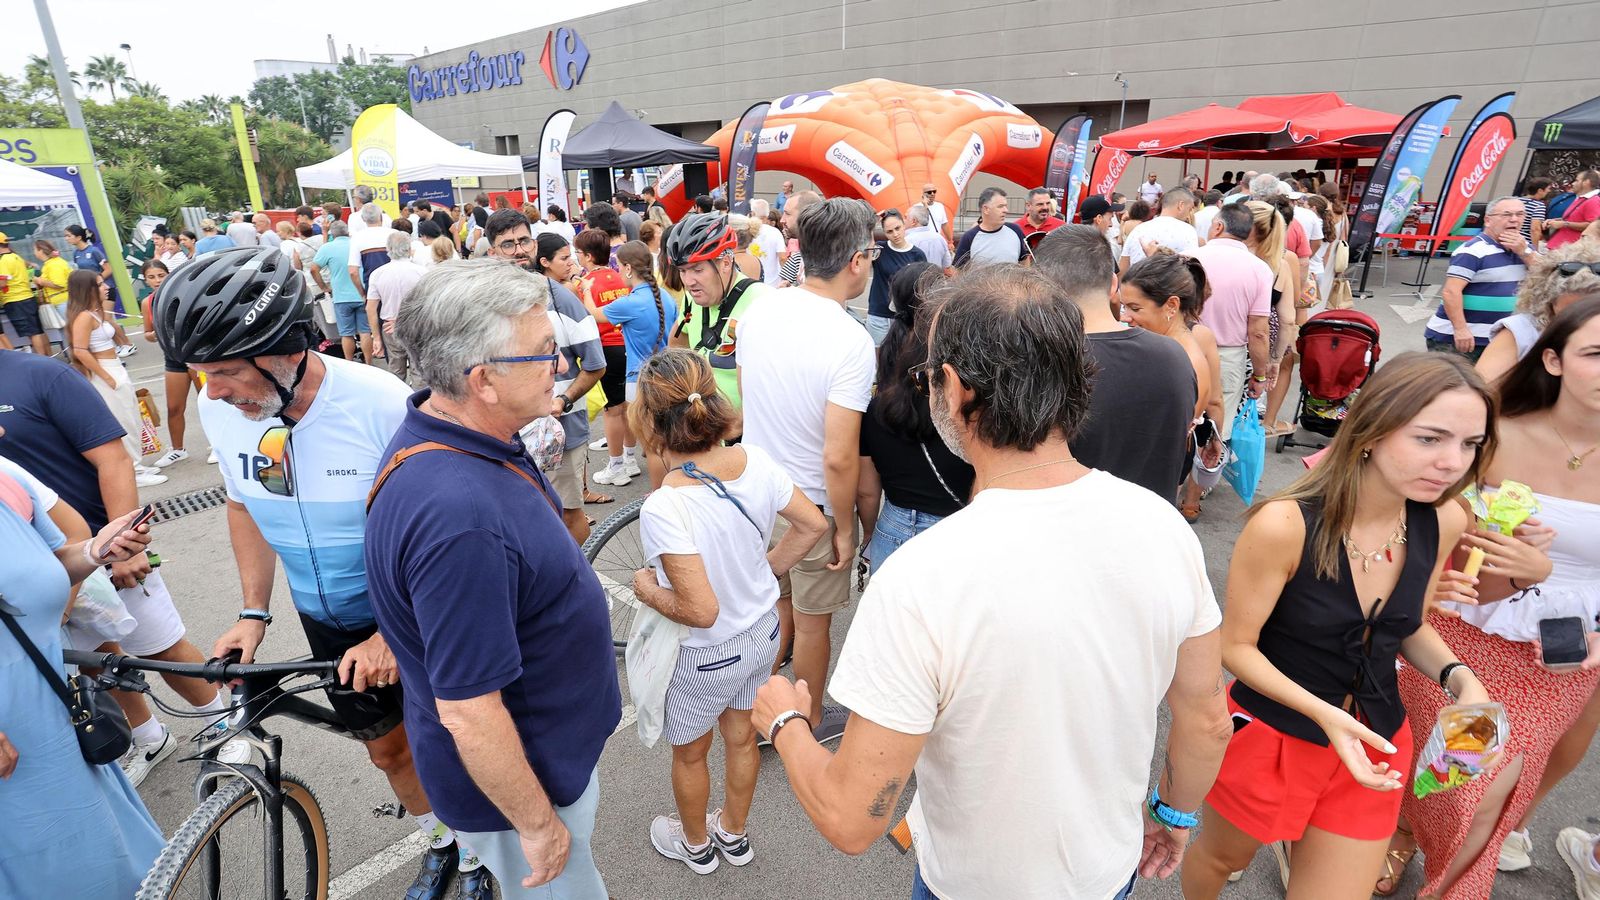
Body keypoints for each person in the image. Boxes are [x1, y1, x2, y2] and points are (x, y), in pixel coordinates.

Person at [756, 263, 1229, 899]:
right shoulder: (1161, 525)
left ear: (953, 388)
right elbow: (1205, 721)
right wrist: (1174, 817)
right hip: (1108, 872)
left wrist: (785, 722)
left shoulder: (924, 577)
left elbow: (851, 817)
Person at [162, 246, 486, 899]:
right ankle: (445, 842)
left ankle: (484, 859)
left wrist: (395, 634)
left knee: (463, 745)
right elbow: (242, 505)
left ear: (284, 352)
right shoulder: (223, 408)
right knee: (388, 750)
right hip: (329, 621)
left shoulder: (381, 404)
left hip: (422, 617)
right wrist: (253, 613)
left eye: (224, 371)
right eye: (201, 373)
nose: (212, 391)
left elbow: (456, 538)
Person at [1181, 352, 1494, 900]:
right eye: (1430, 439)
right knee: (1219, 859)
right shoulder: (1284, 524)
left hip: (1375, 743)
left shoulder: (1444, 518)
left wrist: (1460, 678)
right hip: (1272, 737)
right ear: (1371, 430)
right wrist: (1328, 718)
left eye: (1470, 445)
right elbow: (1237, 647)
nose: (1452, 463)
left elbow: (1406, 624)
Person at [364, 258, 621, 900]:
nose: (560, 366)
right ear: (481, 380)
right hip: (524, 788)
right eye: (541, 354)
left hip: (538, 761)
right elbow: (471, 708)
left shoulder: (463, 437)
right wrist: (537, 826)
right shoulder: (461, 516)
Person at [1380, 299, 1600, 898]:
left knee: (1487, 790)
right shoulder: (1491, 435)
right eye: (1595, 354)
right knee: (1452, 768)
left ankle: (1450, 885)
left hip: (1562, 657)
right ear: (1552, 359)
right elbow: (1416, 518)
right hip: (1467, 632)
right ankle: (1401, 834)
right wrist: (1498, 566)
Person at [628, 348, 828, 874]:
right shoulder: (756, 460)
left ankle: (696, 846)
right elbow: (813, 526)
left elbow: (699, 610)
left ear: (649, 420)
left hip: (704, 655)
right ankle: (733, 835)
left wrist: (646, 589)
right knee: (741, 738)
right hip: (762, 632)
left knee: (692, 754)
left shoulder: (665, 505)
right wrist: (767, 570)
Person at [737, 197, 877, 742]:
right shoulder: (851, 339)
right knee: (814, 622)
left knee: (776, 604)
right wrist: (845, 526)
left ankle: (758, 701)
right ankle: (807, 718)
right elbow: (840, 454)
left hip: (758, 488)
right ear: (857, 260)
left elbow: (750, 403)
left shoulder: (761, 308)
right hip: (810, 501)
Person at [0, 464, 163, 898]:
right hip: (9, 740)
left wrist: (95, 551)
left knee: (105, 865)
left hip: (54, 712)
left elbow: (40, 571)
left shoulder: (5, 481)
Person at [1034, 225, 1196, 500]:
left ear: (1042, 289)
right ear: (1113, 284)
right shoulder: (1174, 356)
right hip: (1155, 526)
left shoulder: (1046, 361)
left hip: (1074, 530)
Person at [492, 217, 607, 544]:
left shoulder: (564, 301)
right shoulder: (485, 303)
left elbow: (595, 365)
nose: (519, 250)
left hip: (561, 431)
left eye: (524, 241)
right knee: (520, 513)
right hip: (504, 431)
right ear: (492, 251)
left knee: (566, 513)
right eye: (508, 244)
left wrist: (563, 400)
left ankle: (580, 581)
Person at [856, 262, 973, 571]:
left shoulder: (876, 409)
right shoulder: (964, 403)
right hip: (955, 527)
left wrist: (868, 533)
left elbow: (868, 490)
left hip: (892, 529)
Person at [1120, 250, 1225, 521]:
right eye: (1124, 307)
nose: (1125, 316)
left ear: (1171, 305)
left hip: (1147, 480)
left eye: (1135, 308)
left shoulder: (1175, 360)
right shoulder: (1176, 347)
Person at [580, 241, 675, 487]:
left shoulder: (631, 302)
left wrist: (587, 289)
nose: (618, 271)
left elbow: (594, 313)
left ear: (629, 268)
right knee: (663, 441)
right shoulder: (664, 296)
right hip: (667, 375)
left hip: (638, 379)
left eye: (619, 266)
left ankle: (659, 494)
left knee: (654, 446)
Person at [666, 212, 772, 418]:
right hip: (705, 427)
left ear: (725, 262)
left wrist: (739, 423)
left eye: (697, 270)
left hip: (745, 434)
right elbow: (677, 342)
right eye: (682, 271)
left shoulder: (762, 301)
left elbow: (778, 382)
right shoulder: (691, 299)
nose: (688, 282)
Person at [1191, 203, 1274, 440]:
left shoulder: (1189, 258)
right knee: (1217, 431)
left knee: (1181, 421)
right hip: (1228, 356)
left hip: (1185, 349)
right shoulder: (1260, 269)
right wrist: (1259, 375)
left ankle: (1175, 475)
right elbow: (1258, 331)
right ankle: (1203, 475)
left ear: (1218, 226)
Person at [1425, 196, 1534, 360]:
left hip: (1495, 338)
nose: (1514, 219)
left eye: (1520, 214)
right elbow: (1451, 292)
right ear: (1488, 220)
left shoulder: (1525, 248)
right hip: (1458, 339)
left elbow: (1548, 276)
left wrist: (1524, 252)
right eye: (1506, 215)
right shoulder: (1472, 250)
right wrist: (1460, 329)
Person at [1477, 240, 1600, 381]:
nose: (1581, 319)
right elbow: (1484, 390)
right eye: (1568, 312)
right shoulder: (1523, 331)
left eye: (1593, 311)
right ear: (1547, 302)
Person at [65, 270, 145, 470]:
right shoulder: (84, 317)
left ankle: (137, 464)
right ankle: (133, 468)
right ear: (88, 289)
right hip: (104, 370)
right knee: (123, 418)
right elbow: (80, 351)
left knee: (131, 415)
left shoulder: (96, 312)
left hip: (115, 366)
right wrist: (107, 377)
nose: (106, 287)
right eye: (100, 284)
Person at [1249, 200, 1308, 438]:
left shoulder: (1223, 256)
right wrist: (1274, 358)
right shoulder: (1282, 261)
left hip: (1229, 336)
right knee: (1264, 380)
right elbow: (1288, 313)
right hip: (1265, 335)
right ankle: (1265, 423)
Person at [575, 228, 633, 467]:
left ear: (588, 256)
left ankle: (616, 464)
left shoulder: (584, 284)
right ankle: (629, 458)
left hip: (605, 348)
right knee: (627, 406)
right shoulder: (621, 276)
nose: (576, 256)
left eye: (578, 252)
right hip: (627, 346)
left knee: (613, 410)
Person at [138, 260, 201, 468]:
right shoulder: (147, 302)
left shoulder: (184, 293)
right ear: (145, 280)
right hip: (172, 357)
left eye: (160, 275)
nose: (156, 280)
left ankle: (219, 445)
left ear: (168, 274)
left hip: (194, 355)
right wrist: (154, 334)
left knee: (210, 403)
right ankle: (177, 450)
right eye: (151, 277)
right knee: (174, 407)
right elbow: (147, 334)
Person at [366, 231, 428, 385]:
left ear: (388, 249)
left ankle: (398, 402)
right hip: (416, 325)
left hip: (388, 327)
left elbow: (370, 308)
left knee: (395, 370)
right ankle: (419, 405)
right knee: (419, 371)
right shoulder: (422, 272)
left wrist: (376, 337)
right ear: (408, 249)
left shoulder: (377, 274)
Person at [309, 222, 373, 363]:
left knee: (346, 334)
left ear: (332, 234)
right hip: (361, 292)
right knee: (365, 331)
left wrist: (324, 287)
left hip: (341, 297)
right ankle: (369, 363)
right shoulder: (357, 244)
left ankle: (349, 363)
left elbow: (313, 269)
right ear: (348, 231)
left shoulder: (327, 248)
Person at [865, 209, 928, 346]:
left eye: (897, 228)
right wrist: (870, 224)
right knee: (878, 361)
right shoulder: (879, 250)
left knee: (899, 360)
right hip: (878, 315)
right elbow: (861, 246)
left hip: (903, 317)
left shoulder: (917, 254)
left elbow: (921, 288)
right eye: (889, 231)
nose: (895, 234)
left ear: (904, 224)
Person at [1120, 187, 1199, 272]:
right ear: (1181, 205)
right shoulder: (1187, 231)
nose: (1189, 215)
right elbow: (1191, 271)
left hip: (1135, 282)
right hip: (1170, 284)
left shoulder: (1138, 229)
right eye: (1190, 209)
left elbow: (1123, 269)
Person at [954, 187, 1030, 268]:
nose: (1006, 210)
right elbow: (958, 271)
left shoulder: (1015, 230)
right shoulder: (969, 237)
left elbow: (1025, 260)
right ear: (986, 209)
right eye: (1000, 206)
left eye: (1005, 206)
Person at [0, 232, 47, 356]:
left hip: (16, 300)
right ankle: (46, 358)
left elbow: (2, 283)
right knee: (37, 331)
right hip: (27, 297)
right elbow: (29, 266)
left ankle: (42, 360)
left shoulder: (3, 261)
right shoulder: (16, 257)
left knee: (33, 333)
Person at [1544, 170, 1599, 251]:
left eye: (1577, 180)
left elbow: (1593, 226)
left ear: (1586, 182)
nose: (1573, 184)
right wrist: (1554, 221)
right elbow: (1572, 218)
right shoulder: (1581, 198)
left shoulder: (1593, 201)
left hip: (1567, 250)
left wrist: (1564, 224)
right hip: (1558, 246)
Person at [778, 190, 821, 286]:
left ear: (807, 216)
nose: (782, 220)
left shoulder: (826, 258)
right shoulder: (799, 257)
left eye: (787, 214)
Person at [31, 239, 72, 323]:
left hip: (63, 302)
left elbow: (59, 284)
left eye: (34, 249)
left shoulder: (54, 264)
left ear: (41, 251)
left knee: (71, 329)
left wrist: (39, 281)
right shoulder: (50, 263)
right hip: (59, 302)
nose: (33, 252)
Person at [747, 198, 786, 286]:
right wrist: (786, 278)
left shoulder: (746, 231)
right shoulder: (775, 232)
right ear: (767, 214)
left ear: (752, 213)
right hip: (773, 283)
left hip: (750, 281)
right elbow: (782, 258)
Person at [904, 204, 953, 272]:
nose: (903, 220)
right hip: (937, 280)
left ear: (913, 221)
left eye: (905, 217)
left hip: (914, 281)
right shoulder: (940, 238)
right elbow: (947, 265)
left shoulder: (906, 241)